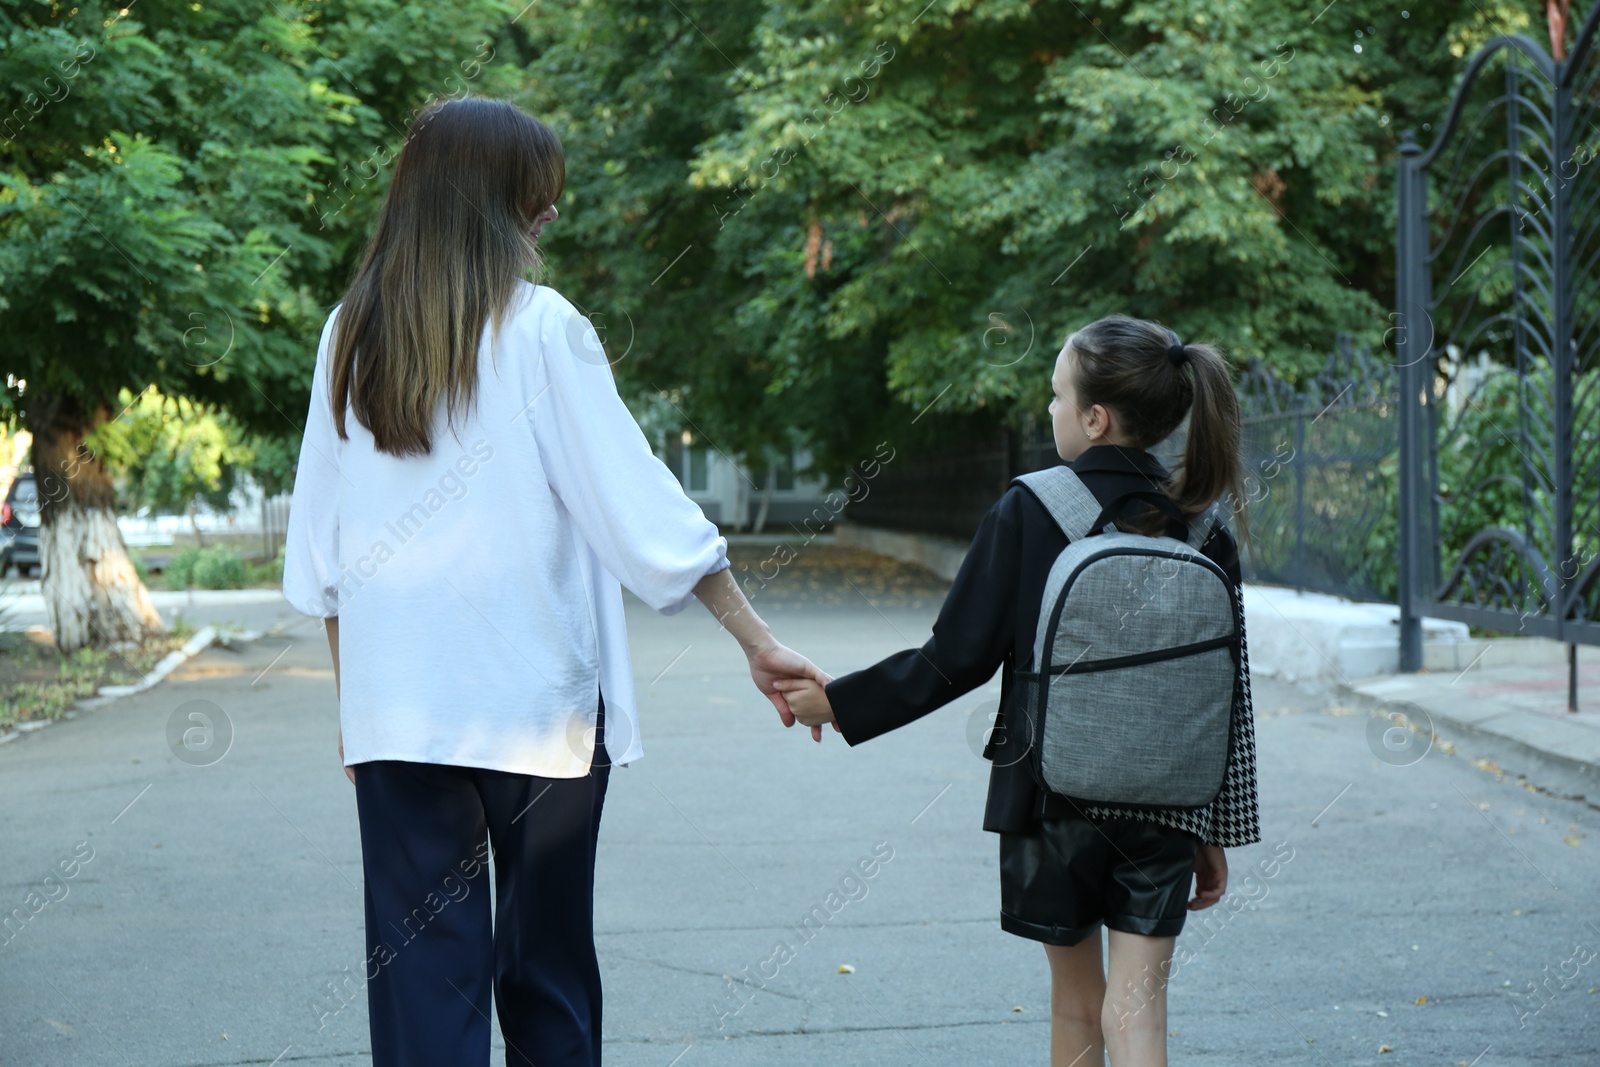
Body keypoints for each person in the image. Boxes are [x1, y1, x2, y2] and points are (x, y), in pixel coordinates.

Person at [281, 96, 829, 1067]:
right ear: (497, 202)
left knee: (421, 987)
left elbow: (325, 554)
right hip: (542, 720)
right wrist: (755, 637)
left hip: (399, 711)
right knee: (546, 975)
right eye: (540, 194)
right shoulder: (542, 329)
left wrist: (354, 708)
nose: (552, 213)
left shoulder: (347, 335)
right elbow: (641, 508)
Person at [775, 315, 1262, 1067]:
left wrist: (838, 702)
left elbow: (954, 658)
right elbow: (1220, 695)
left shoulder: (1031, 509)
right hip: (1166, 807)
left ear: (1095, 419)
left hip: (1048, 799)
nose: (1050, 409)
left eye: (1057, 395)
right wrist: (1210, 826)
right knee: (1142, 1016)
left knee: (1075, 1007)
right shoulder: (1204, 530)